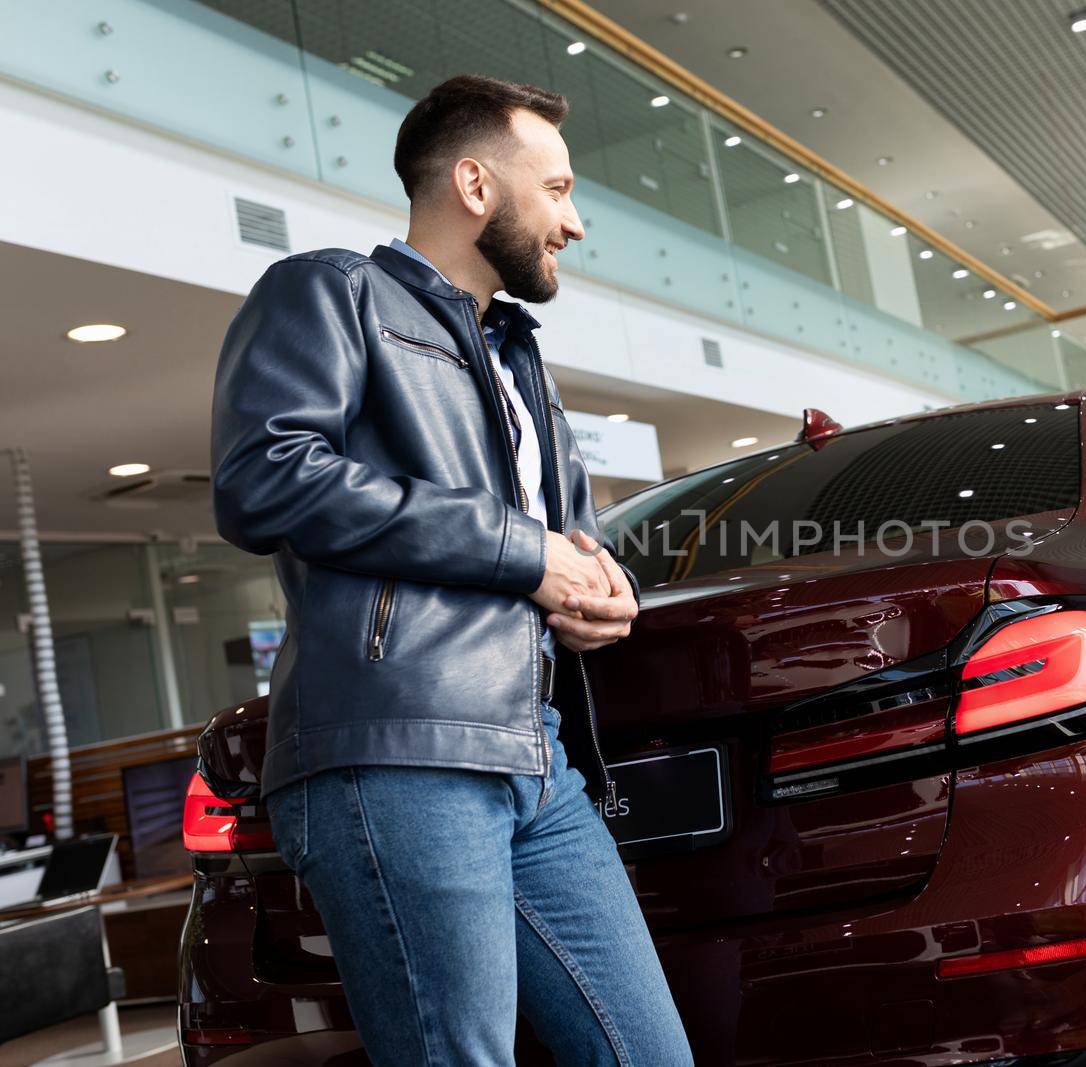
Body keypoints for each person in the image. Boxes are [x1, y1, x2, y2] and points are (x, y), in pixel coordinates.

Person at [211, 75, 693, 1066]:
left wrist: (601, 589)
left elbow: (567, 541)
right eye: (555, 188)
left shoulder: (518, 356)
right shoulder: (330, 290)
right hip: (397, 748)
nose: (575, 221)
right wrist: (525, 556)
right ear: (476, 184)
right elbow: (264, 478)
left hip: (536, 757)